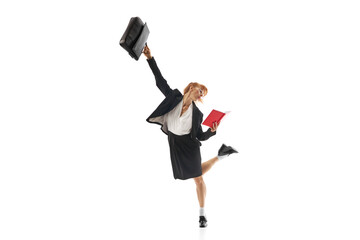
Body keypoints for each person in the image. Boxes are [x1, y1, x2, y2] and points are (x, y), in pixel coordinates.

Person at [143, 44, 238, 228]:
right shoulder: (174, 97)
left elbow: (201, 137)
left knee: (199, 177)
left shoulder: (198, 115)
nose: (201, 94)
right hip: (175, 143)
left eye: (203, 94)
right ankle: (222, 155)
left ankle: (202, 215)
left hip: (189, 145)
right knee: (196, 173)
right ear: (192, 87)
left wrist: (211, 131)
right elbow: (160, 81)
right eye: (200, 90)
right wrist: (149, 58)